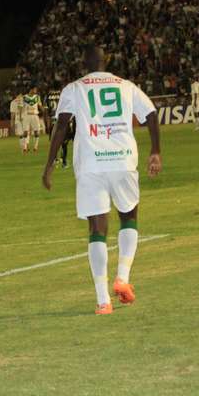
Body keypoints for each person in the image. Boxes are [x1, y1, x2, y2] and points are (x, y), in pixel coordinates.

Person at [42, 45, 162, 315]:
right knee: (129, 215)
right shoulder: (125, 85)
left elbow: (61, 126)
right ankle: (122, 276)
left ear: (83, 63)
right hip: (122, 159)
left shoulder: (74, 88)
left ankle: (102, 300)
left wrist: (49, 164)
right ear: (106, 62)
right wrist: (155, 151)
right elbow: (151, 114)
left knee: (97, 227)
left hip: (91, 164)